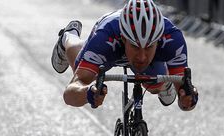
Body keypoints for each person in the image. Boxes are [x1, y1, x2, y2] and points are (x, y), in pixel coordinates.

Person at [51, 0, 198, 110]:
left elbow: (185, 100)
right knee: (79, 59)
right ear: (123, 38)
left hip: (151, 54)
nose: (141, 56)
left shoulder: (173, 39)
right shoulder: (105, 37)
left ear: (159, 40)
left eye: (148, 47)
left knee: (154, 86)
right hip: (109, 42)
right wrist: (88, 93)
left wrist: (188, 98)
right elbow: (69, 95)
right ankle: (68, 37)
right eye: (135, 46)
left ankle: (163, 83)